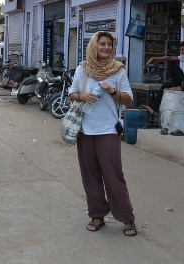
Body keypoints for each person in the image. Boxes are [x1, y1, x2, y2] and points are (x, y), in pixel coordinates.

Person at [68, 31, 138, 237]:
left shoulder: (118, 71)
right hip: (86, 130)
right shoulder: (83, 70)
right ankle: (97, 215)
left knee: (114, 175)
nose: (106, 48)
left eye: (109, 44)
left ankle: (126, 218)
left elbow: (128, 99)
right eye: (102, 44)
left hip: (108, 129)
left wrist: (112, 91)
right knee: (90, 175)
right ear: (94, 46)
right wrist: (82, 95)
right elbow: (72, 93)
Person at [142, 40, 184, 115]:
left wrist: (153, 59)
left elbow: (169, 58)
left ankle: (177, 85)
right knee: (164, 85)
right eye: (180, 50)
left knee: (170, 62)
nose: (181, 52)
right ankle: (153, 108)